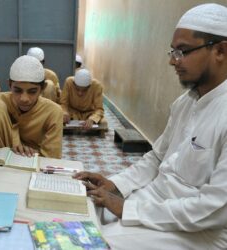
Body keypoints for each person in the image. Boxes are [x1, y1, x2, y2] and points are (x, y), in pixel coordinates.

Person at [74, 3, 227, 249]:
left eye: (183, 51)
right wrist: (115, 184)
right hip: (155, 202)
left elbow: (215, 209)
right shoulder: (185, 103)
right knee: (81, 208)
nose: (173, 62)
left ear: (220, 50)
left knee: (94, 243)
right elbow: (157, 158)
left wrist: (128, 208)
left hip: (201, 230)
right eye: (173, 52)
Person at [0, 55, 63, 159]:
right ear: (10, 85)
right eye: (18, 90)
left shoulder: (53, 111)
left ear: (42, 89)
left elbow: (52, 158)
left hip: (32, 163)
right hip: (0, 162)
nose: (24, 98)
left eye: (32, 92)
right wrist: (10, 152)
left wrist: (29, 153)